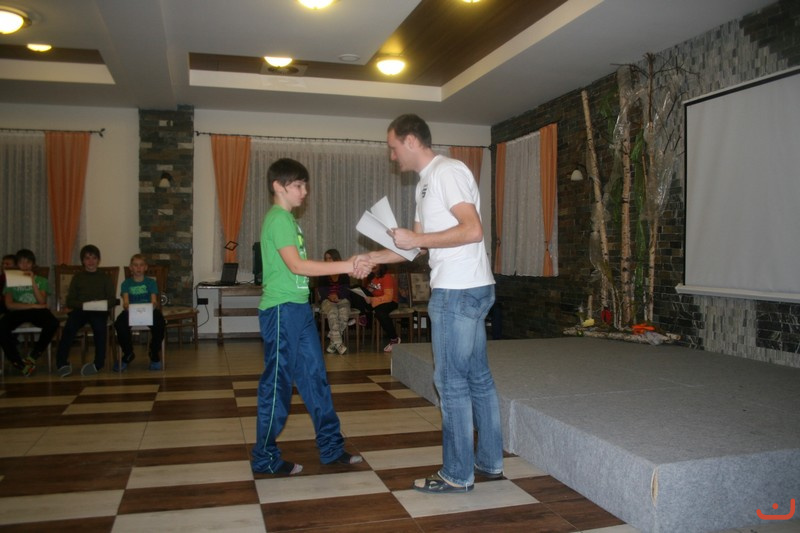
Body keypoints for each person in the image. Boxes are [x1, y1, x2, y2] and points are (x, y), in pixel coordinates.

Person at [368, 113, 503, 493]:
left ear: (411, 141)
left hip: (458, 290)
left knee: (450, 381)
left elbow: (472, 229)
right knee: (476, 377)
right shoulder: (424, 185)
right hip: (466, 286)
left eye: (393, 147)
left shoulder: (447, 171)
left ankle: (457, 474)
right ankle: (489, 461)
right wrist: (373, 257)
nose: (392, 156)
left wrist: (417, 240)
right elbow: (416, 246)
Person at [251, 157, 372, 476]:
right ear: (278, 186)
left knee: (315, 378)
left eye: (305, 185)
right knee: (277, 384)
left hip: (299, 308)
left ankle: (331, 448)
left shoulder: (290, 221)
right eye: (298, 185)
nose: (304, 191)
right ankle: (264, 457)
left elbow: (299, 269)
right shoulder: (278, 219)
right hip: (281, 310)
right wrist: (349, 265)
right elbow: (298, 266)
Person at [55, 244, 116, 377]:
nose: (91, 261)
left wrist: (99, 303)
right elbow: (70, 301)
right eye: (87, 258)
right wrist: (83, 304)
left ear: (98, 260)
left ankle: (98, 363)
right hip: (81, 310)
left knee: (100, 328)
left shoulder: (105, 278)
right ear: (83, 261)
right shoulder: (78, 278)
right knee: (69, 327)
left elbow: (112, 300)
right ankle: (61, 363)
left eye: (94, 258)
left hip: (99, 310)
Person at [0, 249, 59, 377]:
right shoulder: (11, 281)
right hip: (18, 311)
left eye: (28, 262)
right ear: (17, 264)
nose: (25, 265)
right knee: (1, 326)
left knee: (53, 323)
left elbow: (42, 301)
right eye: (21, 262)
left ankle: (33, 355)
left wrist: (32, 281)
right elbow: (9, 305)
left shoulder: (41, 280)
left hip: (37, 311)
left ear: (33, 264)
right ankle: (18, 362)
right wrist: (32, 305)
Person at [113, 254, 166, 372]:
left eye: (141, 265)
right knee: (119, 324)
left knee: (160, 322)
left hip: (148, 311)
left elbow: (154, 301)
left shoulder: (151, 282)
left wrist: (151, 306)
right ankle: (128, 353)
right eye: (135, 265)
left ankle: (154, 353)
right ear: (131, 268)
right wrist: (129, 307)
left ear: (145, 267)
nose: (138, 268)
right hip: (131, 311)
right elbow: (126, 302)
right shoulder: (126, 284)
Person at [317, 248, 352, 355]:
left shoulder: (344, 273)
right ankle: (339, 344)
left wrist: (338, 296)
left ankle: (333, 342)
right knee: (332, 312)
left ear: (336, 258)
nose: (328, 260)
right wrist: (330, 297)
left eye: (330, 258)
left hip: (342, 299)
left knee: (344, 313)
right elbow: (321, 290)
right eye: (326, 258)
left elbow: (346, 289)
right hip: (327, 300)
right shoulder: (322, 273)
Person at [362, 264, 401, 352]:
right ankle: (362, 315)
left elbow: (388, 297)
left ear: (381, 265)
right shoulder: (372, 278)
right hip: (376, 302)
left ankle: (394, 339)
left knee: (380, 312)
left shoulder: (387, 277)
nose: (373, 265)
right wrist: (369, 291)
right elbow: (371, 291)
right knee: (357, 289)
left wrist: (372, 299)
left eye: (376, 264)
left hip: (390, 302)